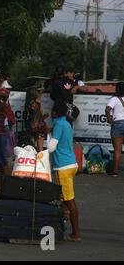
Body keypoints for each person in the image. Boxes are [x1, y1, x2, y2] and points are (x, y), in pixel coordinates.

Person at [48, 103, 81, 242]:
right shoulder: (66, 124)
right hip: (72, 164)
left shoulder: (58, 125)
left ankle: (76, 234)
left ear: (55, 113)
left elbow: (51, 148)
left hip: (63, 166)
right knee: (64, 199)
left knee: (69, 200)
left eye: (52, 111)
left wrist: (49, 134)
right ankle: (63, 224)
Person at [105, 81, 124, 177]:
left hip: (118, 124)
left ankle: (115, 172)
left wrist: (109, 119)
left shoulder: (114, 99)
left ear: (117, 89)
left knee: (117, 149)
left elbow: (108, 108)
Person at [24, 87, 48, 152]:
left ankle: (32, 160)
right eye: (37, 91)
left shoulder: (28, 104)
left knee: (32, 148)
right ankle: (40, 161)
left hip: (31, 128)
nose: (38, 92)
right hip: (39, 128)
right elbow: (42, 114)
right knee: (40, 149)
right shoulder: (37, 103)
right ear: (34, 93)